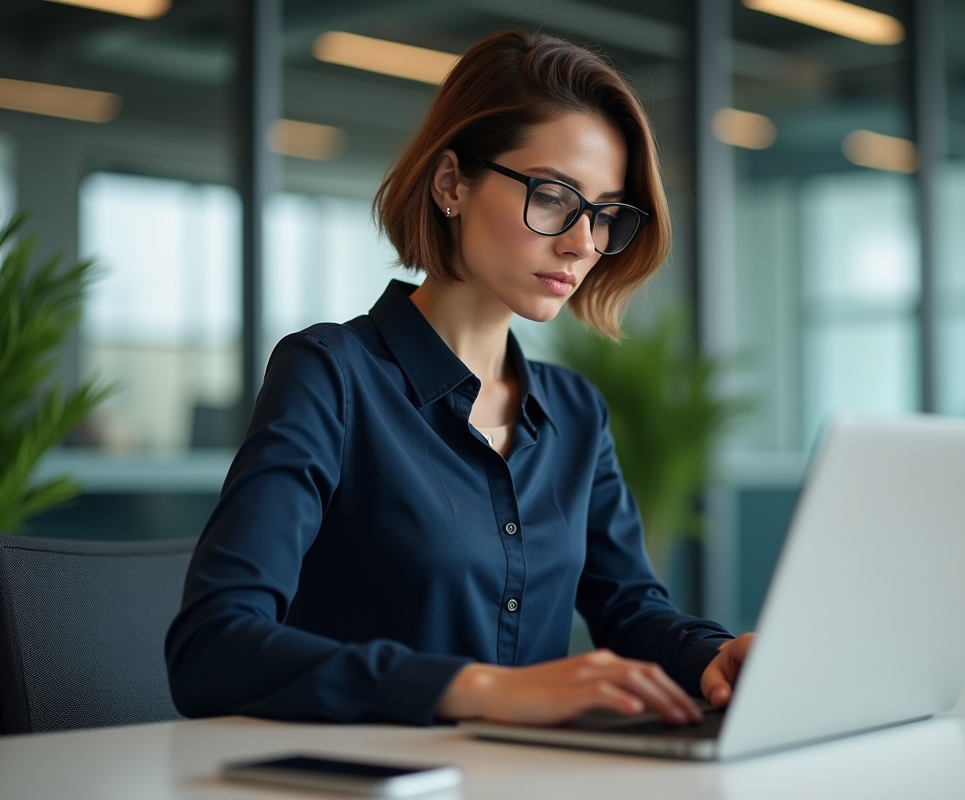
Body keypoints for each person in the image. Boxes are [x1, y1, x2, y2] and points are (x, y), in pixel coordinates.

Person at [165, 28, 752, 728]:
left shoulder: (574, 412)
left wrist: (711, 657)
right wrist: (475, 690)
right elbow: (212, 647)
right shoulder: (331, 376)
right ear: (451, 183)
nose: (581, 242)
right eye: (554, 197)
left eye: (603, 214)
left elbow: (629, 608)